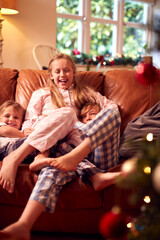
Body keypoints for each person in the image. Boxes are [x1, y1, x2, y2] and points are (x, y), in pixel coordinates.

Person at [0, 53, 121, 240]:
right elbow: (28, 126)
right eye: (57, 71)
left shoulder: (86, 93)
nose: (62, 74)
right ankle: (23, 225)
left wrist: (92, 122)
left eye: (67, 70)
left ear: (74, 73)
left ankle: (77, 159)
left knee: (113, 114)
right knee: (55, 164)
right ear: (50, 75)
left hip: (92, 146)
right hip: (59, 147)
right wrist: (49, 122)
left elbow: (111, 108)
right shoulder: (41, 94)